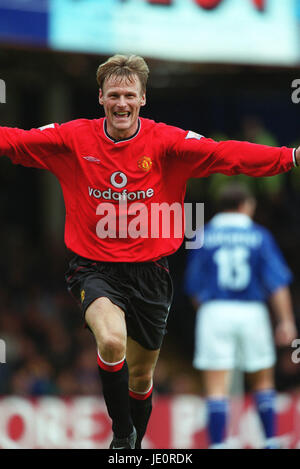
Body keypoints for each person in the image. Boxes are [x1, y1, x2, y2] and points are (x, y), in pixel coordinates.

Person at [0, 54, 299, 449]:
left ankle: (134, 443)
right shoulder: (74, 138)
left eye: (129, 95)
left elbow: (227, 155)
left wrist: (289, 157)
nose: (121, 103)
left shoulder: (167, 142)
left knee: (140, 379)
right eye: (113, 95)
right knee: (110, 341)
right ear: (100, 98)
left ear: (142, 99)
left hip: (151, 275)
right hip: (94, 268)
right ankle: (122, 436)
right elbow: (15, 139)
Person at [184, 182, 297, 449]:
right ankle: (269, 440)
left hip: (214, 311)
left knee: (215, 386)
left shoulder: (201, 234)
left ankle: (219, 444)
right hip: (252, 311)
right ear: (245, 205)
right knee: (262, 380)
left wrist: (208, 314)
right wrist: (286, 321)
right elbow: (277, 284)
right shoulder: (259, 235)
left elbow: (193, 287)